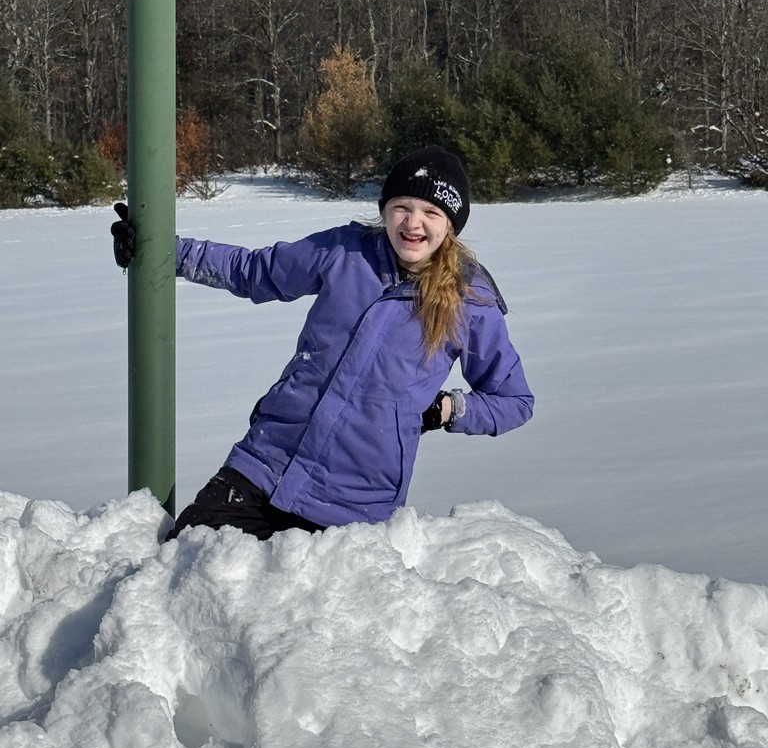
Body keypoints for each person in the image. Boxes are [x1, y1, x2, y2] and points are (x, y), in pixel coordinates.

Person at [111, 146, 534, 541]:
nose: (412, 223)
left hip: (354, 504)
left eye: (430, 212)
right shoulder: (345, 251)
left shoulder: (470, 299)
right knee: (176, 579)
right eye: (401, 207)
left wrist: (450, 409)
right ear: (384, 210)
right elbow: (255, 271)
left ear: (452, 224)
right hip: (264, 465)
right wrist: (164, 251)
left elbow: (514, 399)